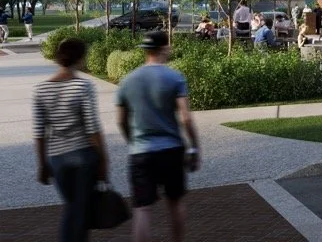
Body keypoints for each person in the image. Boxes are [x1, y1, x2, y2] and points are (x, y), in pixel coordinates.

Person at [116, 31, 200, 242]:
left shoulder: (128, 80)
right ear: (165, 49)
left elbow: (120, 120)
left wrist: (132, 140)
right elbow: (185, 117)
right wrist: (194, 147)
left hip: (141, 152)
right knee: (175, 202)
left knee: (142, 208)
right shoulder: (175, 77)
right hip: (171, 149)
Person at [33, 37, 109, 242]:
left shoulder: (41, 89)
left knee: (73, 208)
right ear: (81, 58)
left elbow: (39, 133)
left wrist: (42, 164)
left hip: (58, 159)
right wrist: (104, 160)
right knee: (79, 213)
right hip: (83, 156)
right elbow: (93, 129)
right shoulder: (83, 86)